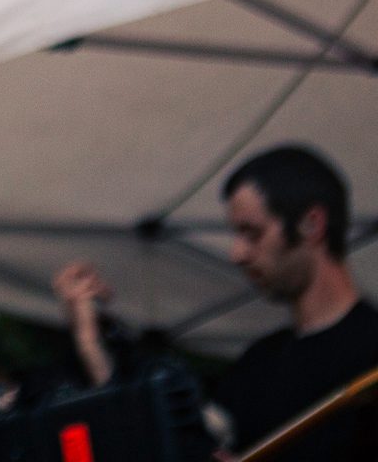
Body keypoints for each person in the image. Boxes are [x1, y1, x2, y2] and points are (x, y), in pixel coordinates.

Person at [58, 146, 377, 461]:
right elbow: (168, 443)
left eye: (252, 233)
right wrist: (91, 344)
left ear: (312, 224)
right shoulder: (260, 363)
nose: (236, 254)